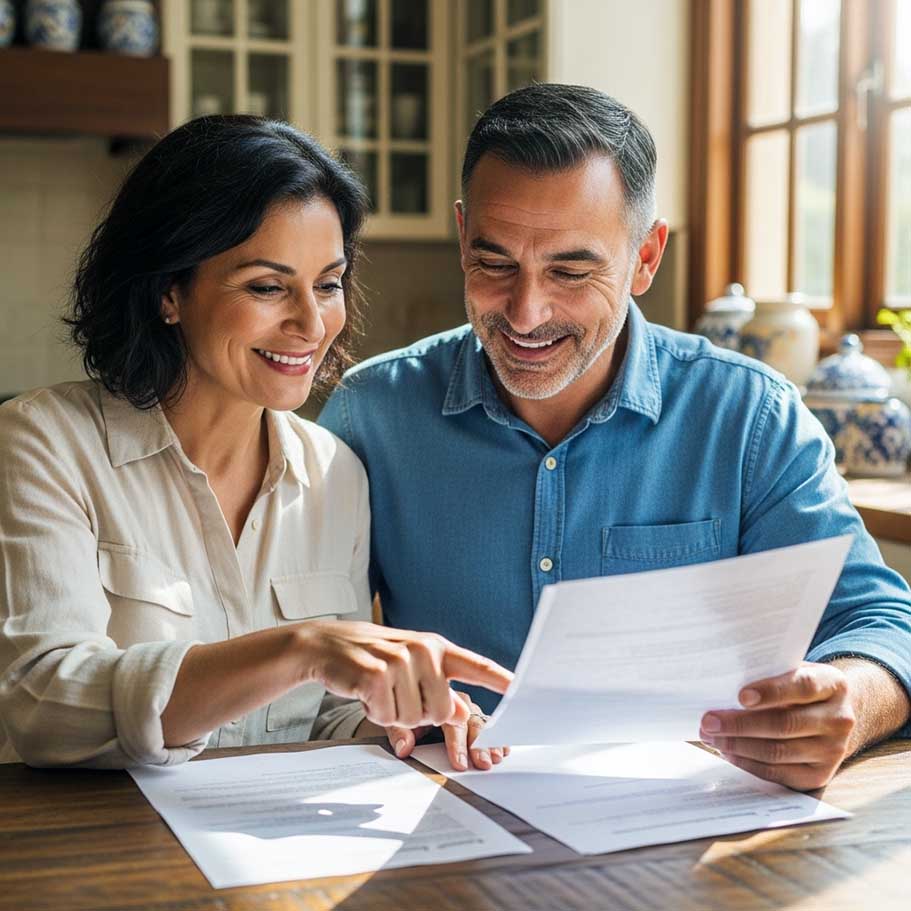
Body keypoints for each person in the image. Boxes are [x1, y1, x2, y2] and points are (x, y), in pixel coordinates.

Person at [319, 83, 911, 791]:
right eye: (494, 262)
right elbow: (310, 648)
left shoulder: (749, 417)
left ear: (646, 257)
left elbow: (879, 620)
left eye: (570, 270)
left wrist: (851, 698)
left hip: (690, 836)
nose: (526, 311)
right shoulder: (371, 414)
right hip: (438, 822)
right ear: (461, 236)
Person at [0, 116, 512, 770]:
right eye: (267, 287)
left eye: (327, 283)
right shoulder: (45, 442)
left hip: (271, 855)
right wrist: (298, 647)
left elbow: (328, 714)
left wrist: (407, 718)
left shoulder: (336, 473)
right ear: (169, 292)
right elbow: (44, 705)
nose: (309, 322)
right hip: (95, 857)